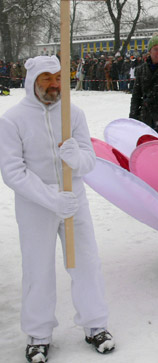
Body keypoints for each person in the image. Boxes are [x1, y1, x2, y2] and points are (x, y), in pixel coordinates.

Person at [0, 56, 114, 362]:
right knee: (38, 269)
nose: (54, 85)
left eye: (58, 78)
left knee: (86, 263)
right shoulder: (13, 120)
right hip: (35, 205)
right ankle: (39, 333)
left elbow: (90, 161)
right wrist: (51, 198)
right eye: (46, 78)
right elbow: (12, 171)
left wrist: (76, 158)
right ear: (32, 81)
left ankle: (95, 324)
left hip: (74, 201)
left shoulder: (73, 114)